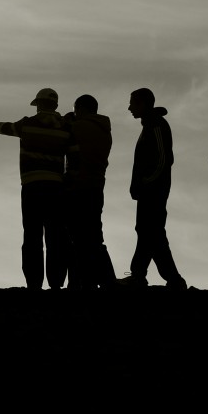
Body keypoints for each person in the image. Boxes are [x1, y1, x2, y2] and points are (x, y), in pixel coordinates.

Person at [0, 88, 73, 289]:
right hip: (56, 187)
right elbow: (74, 156)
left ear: (39, 105)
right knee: (56, 236)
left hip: (32, 186)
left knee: (32, 236)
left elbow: (6, 127)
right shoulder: (65, 127)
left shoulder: (28, 124)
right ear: (56, 105)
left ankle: (34, 284)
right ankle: (56, 283)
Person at [124, 87, 187, 289]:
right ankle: (168, 278)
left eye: (133, 103)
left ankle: (143, 275)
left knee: (150, 231)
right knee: (151, 232)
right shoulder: (150, 125)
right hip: (149, 190)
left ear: (143, 103)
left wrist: (146, 182)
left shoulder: (157, 125)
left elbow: (164, 158)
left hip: (154, 191)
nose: (129, 107)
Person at [61, 94, 116, 288]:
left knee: (76, 237)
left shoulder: (77, 127)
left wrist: (67, 119)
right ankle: (104, 280)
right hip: (96, 186)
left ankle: (81, 281)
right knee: (93, 235)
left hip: (77, 187)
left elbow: (61, 129)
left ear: (80, 109)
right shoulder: (104, 130)